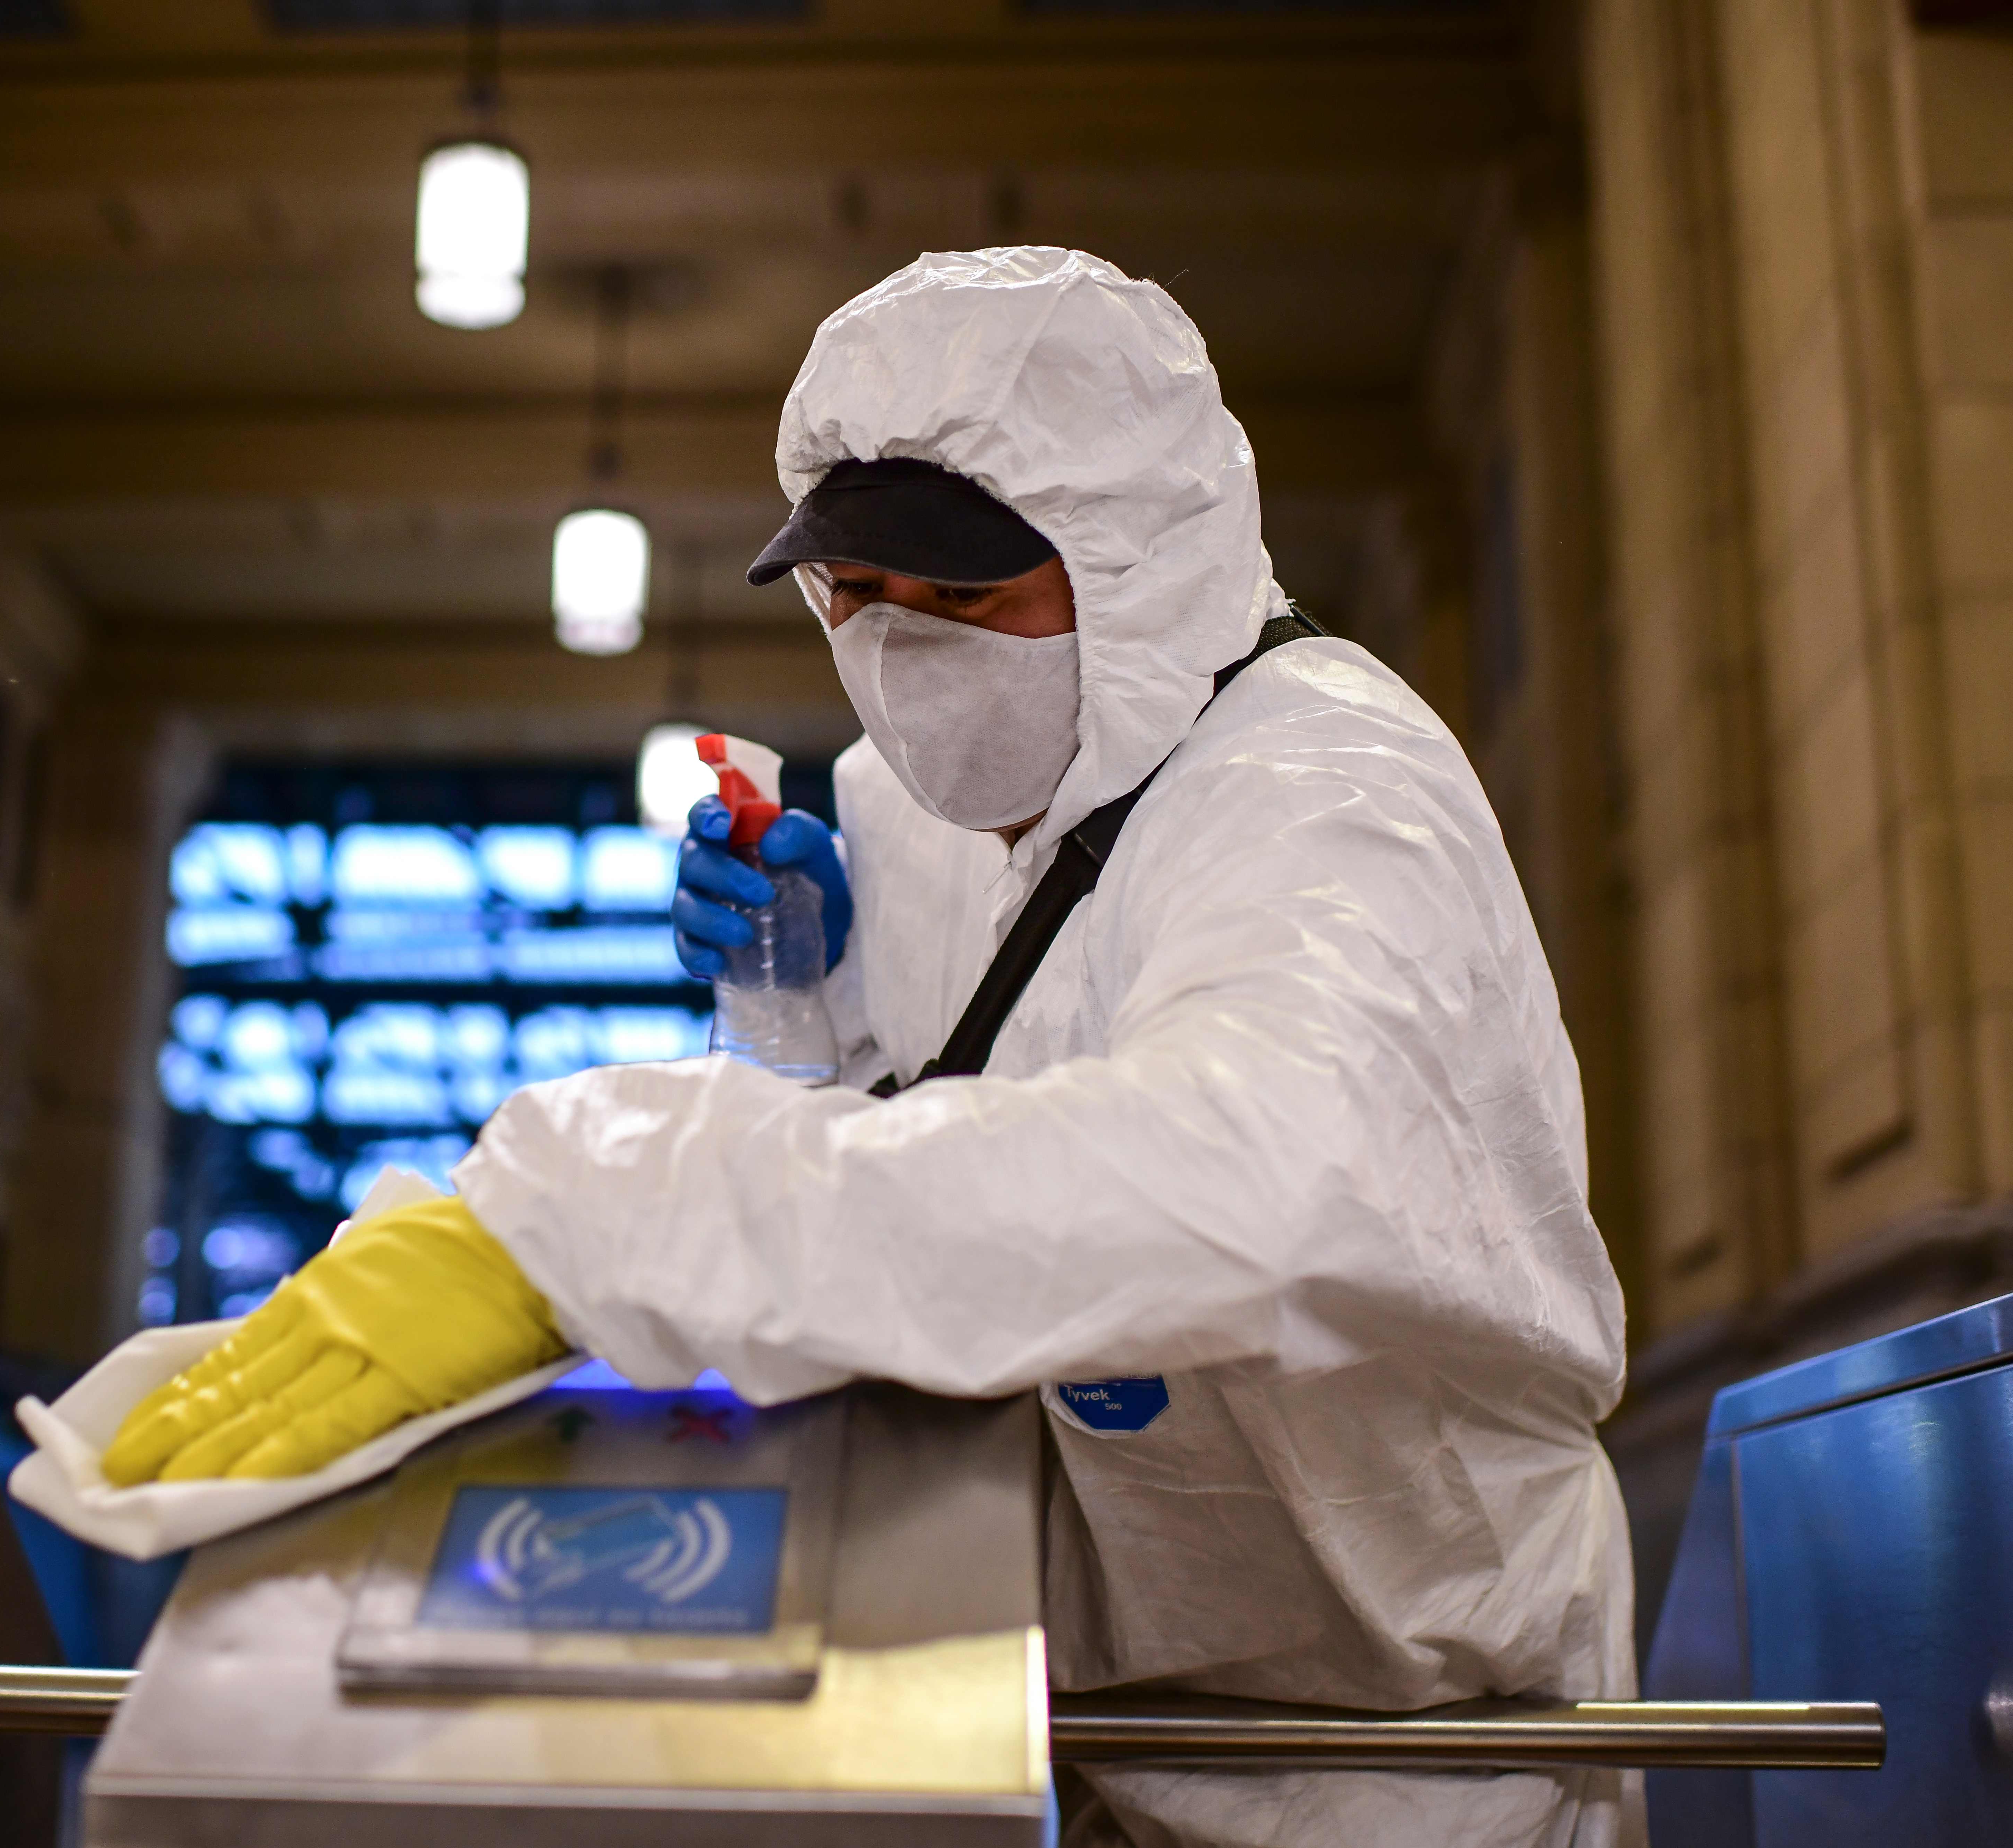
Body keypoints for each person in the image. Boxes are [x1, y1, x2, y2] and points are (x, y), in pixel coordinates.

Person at [106, 248, 1636, 1847]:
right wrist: (807, 1015)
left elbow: (1251, 1183)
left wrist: (615, 1211)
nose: (904, 655)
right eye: (857, 596)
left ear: (1142, 560)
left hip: (1415, 1761)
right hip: (1086, 1721)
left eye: (967, 596)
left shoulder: (1331, 791)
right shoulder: (909, 817)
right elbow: (927, 1226)